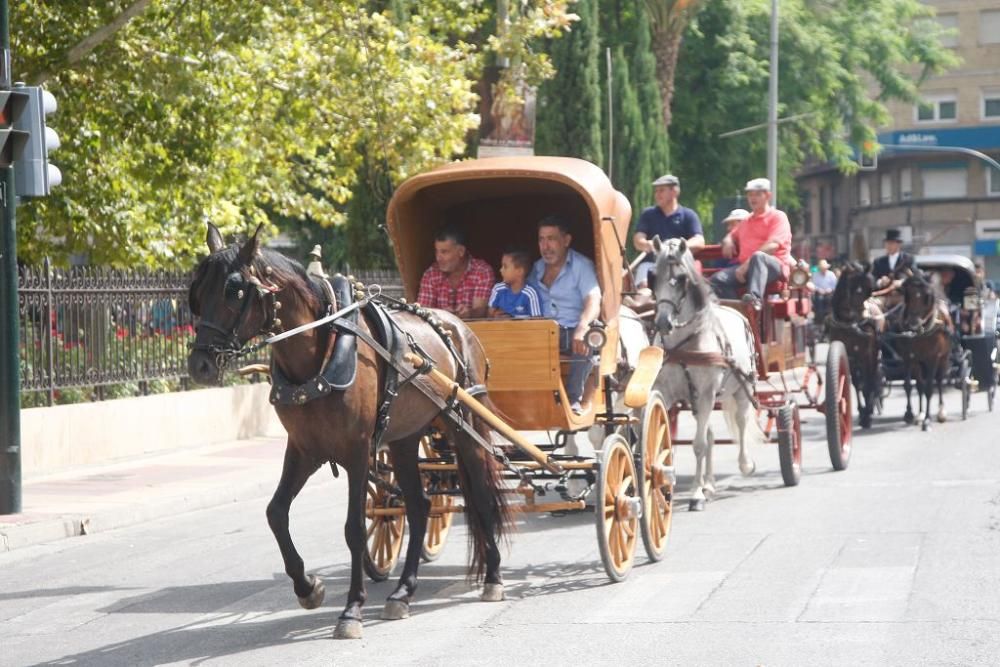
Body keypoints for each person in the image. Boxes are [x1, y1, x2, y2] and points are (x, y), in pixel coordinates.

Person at [530, 215, 602, 413]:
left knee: (589, 338)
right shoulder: (535, 269)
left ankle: (572, 401)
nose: (545, 246)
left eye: (551, 238)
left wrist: (583, 325)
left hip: (572, 331)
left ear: (566, 240)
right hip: (541, 334)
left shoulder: (581, 266)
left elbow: (593, 300)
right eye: (541, 239)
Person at [710, 178, 793, 310]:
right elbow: (731, 234)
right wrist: (728, 240)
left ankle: (754, 301)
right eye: (750, 195)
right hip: (747, 268)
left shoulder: (778, 216)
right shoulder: (746, 221)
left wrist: (744, 266)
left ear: (768, 196)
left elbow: (772, 246)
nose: (752, 198)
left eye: (757, 194)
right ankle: (737, 312)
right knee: (717, 280)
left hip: (773, 267)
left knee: (759, 257)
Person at [632, 174, 705, 288]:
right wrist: (647, 244)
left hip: (678, 264)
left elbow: (699, 241)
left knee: (678, 288)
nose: (657, 195)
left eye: (661, 190)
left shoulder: (689, 215)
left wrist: (676, 247)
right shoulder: (648, 214)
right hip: (651, 264)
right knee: (644, 285)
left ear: (674, 192)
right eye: (656, 191)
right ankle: (642, 301)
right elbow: (637, 241)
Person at [417, 225, 495, 319]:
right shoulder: (430, 274)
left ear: (461, 251)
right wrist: (441, 314)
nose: (438, 258)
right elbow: (422, 311)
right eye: (437, 252)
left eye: (444, 252)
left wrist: (469, 313)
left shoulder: (482, 271)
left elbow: (481, 311)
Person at [488, 249, 543, 319]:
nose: (501, 270)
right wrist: (495, 317)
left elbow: (538, 323)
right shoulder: (498, 289)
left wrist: (513, 323)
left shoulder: (530, 293)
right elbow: (488, 317)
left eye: (505, 267)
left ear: (520, 271)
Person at [811, 259, 837, 338]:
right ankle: (819, 319)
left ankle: (830, 318)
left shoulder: (831, 274)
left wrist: (829, 290)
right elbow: (814, 285)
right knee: (819, 301)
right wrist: (820, 290)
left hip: (829, 293)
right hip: (819, 294)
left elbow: (834, 285)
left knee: (830, 302)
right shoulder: (815, 275)